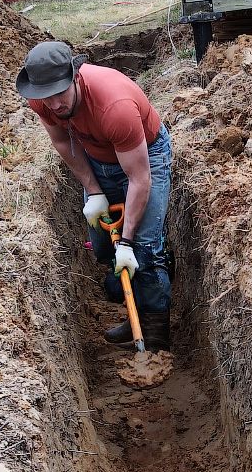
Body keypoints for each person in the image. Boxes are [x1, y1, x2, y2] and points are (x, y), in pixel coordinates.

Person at [16, 40, 172, 349]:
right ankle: (135, 302)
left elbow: (139, 180)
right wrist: (94, 190)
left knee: (144, 249)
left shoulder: (114, 106)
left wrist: (127, 242)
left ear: (76, 77)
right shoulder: (43, 100)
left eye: (60, 93)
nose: (55, 104)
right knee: (102, 245)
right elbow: (62, 142)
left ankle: (154, 332)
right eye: (46, 97)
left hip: (145, 157)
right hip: (99, 159)